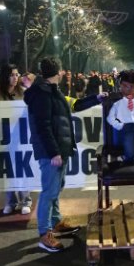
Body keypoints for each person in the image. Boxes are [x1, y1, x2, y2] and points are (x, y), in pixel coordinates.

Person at [24, 55, 102, 253]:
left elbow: (74, 105)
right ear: (58, 72)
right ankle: (44, 234)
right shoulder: (43, 94)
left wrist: (96, 98)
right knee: (49, 192)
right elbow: (43, 126)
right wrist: (54, 153)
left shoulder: (52, 91)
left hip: (59, 148)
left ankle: (56, 221)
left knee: (57, 187)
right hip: (52, 151)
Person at [0, 65, 31, 216]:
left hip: (21, 138)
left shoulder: (23, 92)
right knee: (8, 172)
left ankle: (26, 200)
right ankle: (11, 202)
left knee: (22, 170)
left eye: (17, 74)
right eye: (12, 75)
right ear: (5, 77)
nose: (16, 77)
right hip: (4, 138)